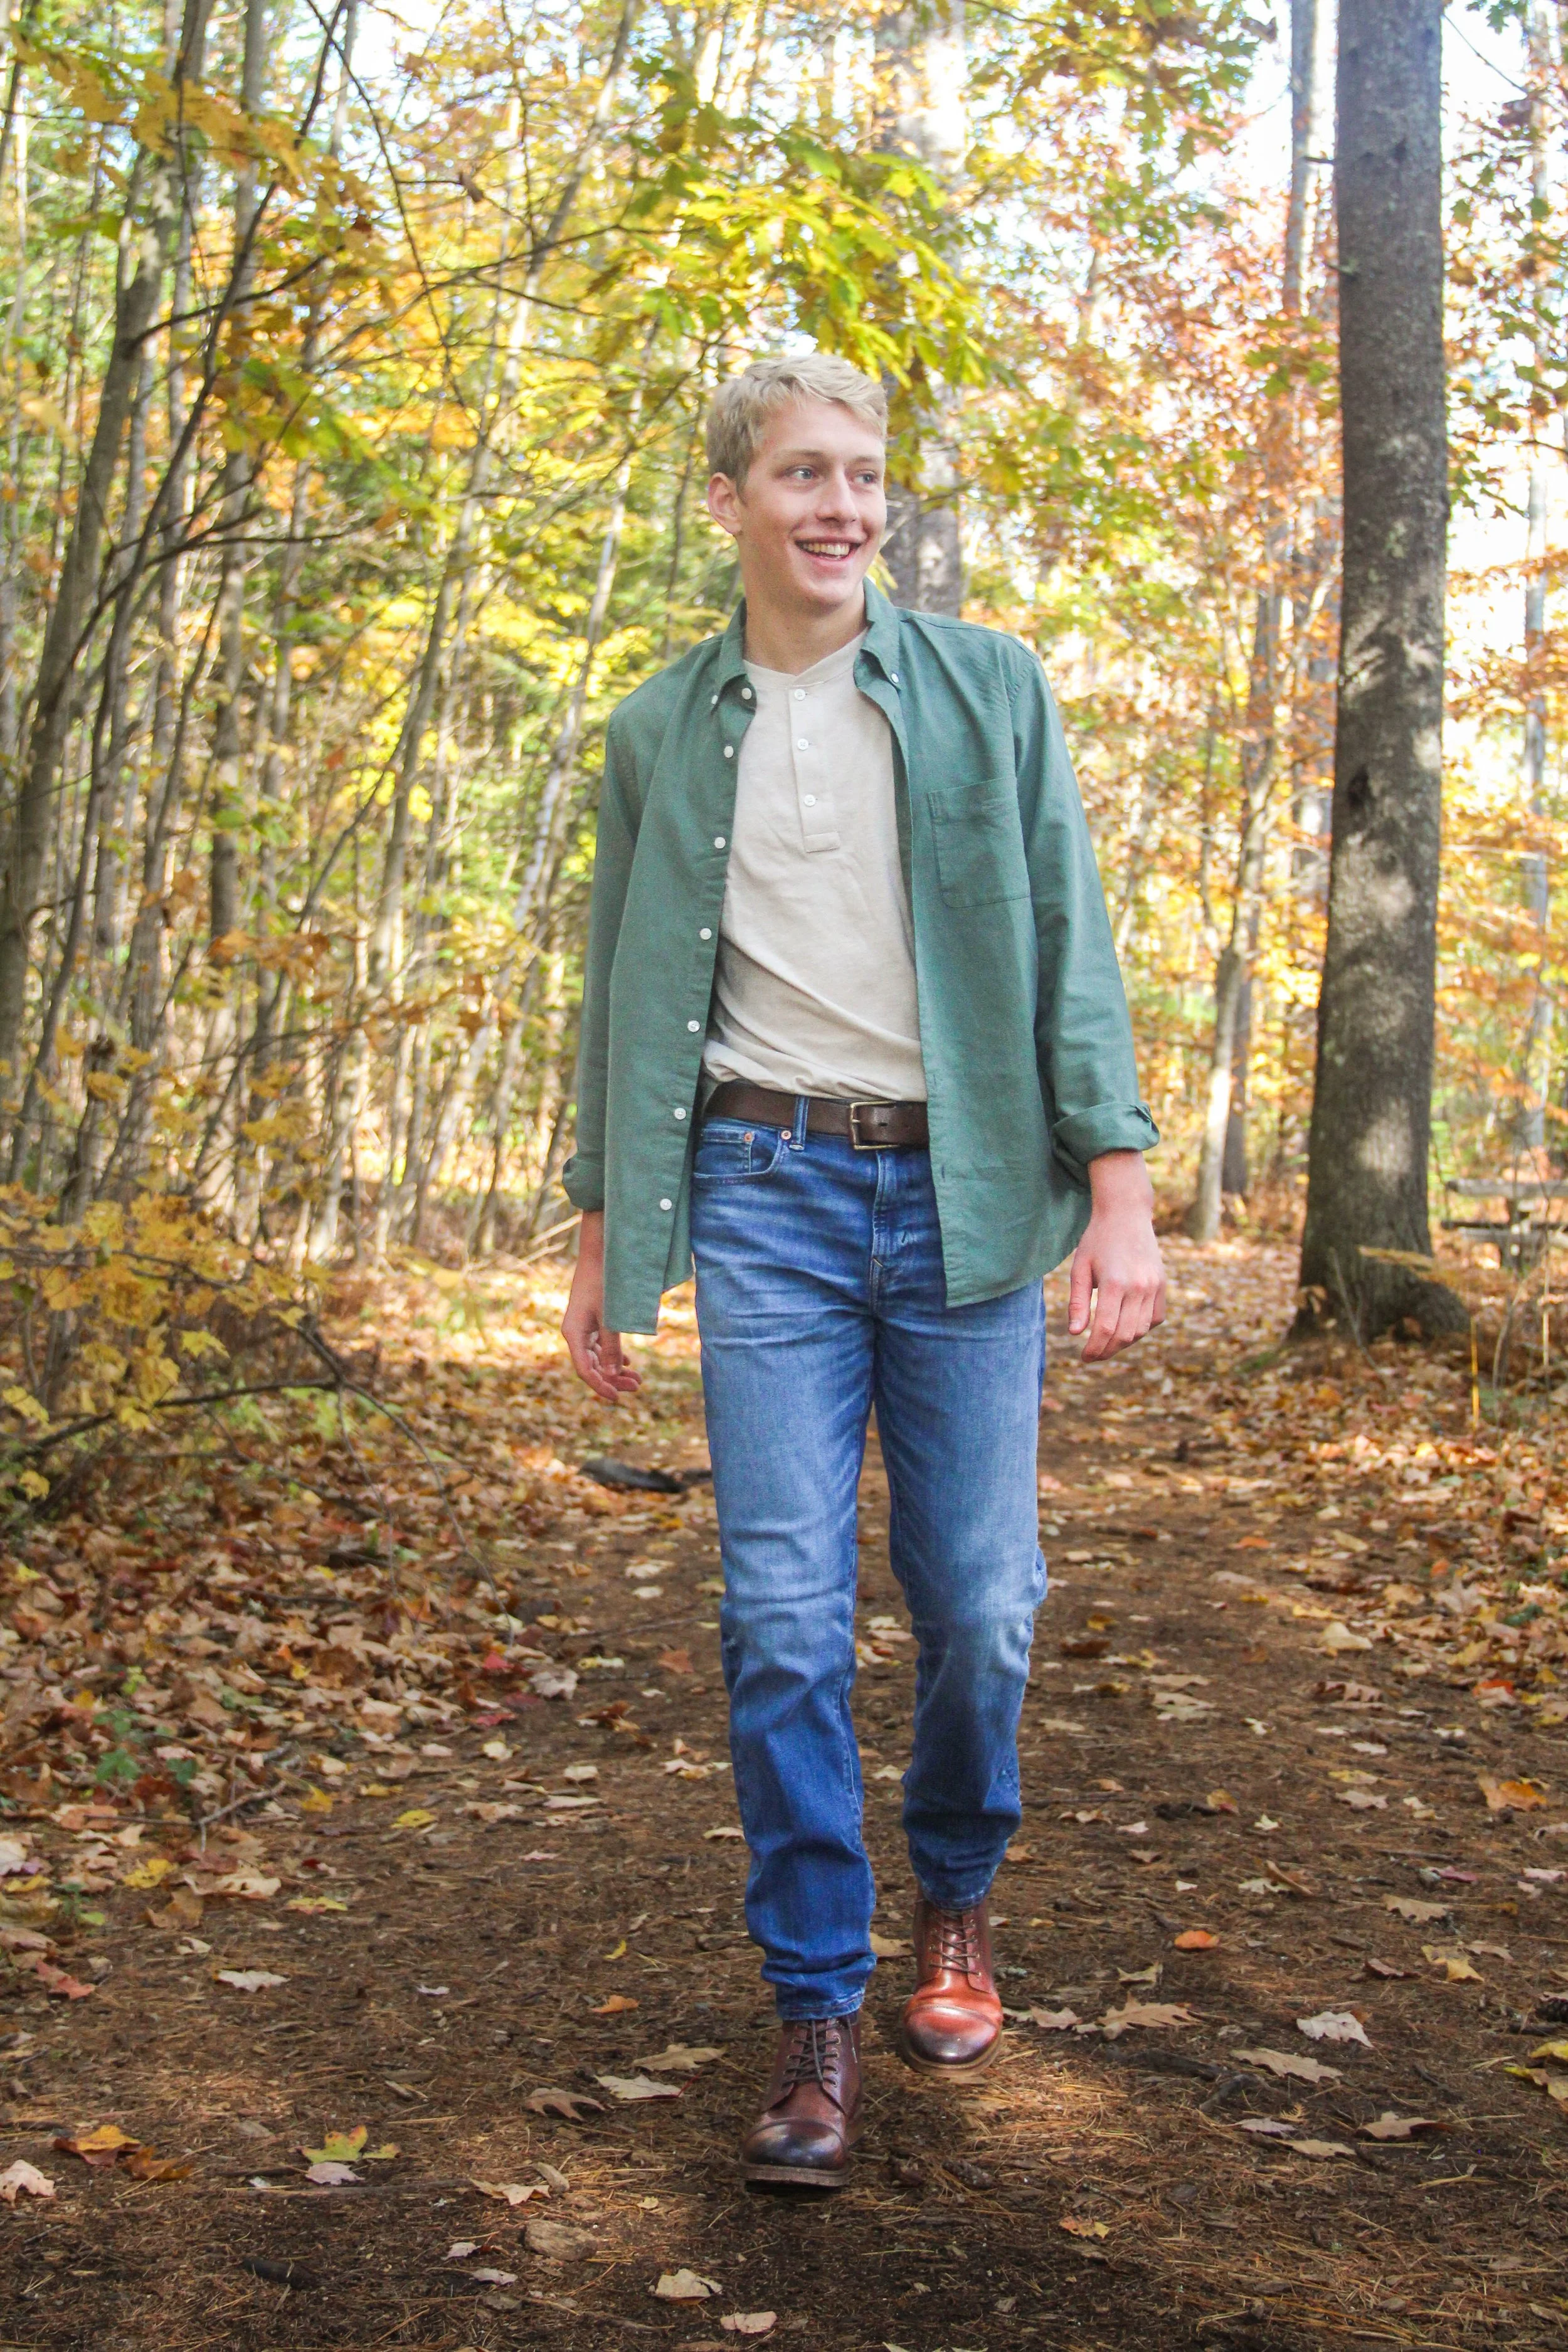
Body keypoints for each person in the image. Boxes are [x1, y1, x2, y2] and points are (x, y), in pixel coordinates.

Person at [560, 352, 1165, 2191]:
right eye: (802, 474)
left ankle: (957, 1900)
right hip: (761, 1192)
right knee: (779, 1615)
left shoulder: (985, 690)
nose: (840, 506)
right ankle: (812, 2001)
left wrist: (1119, 1193)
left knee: (979, 1597)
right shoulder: (661, 726)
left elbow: (1066, 935)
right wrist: (604, 1231)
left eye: (864, 476)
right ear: (730, 498)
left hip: (965, 1195)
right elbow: (618, 992)